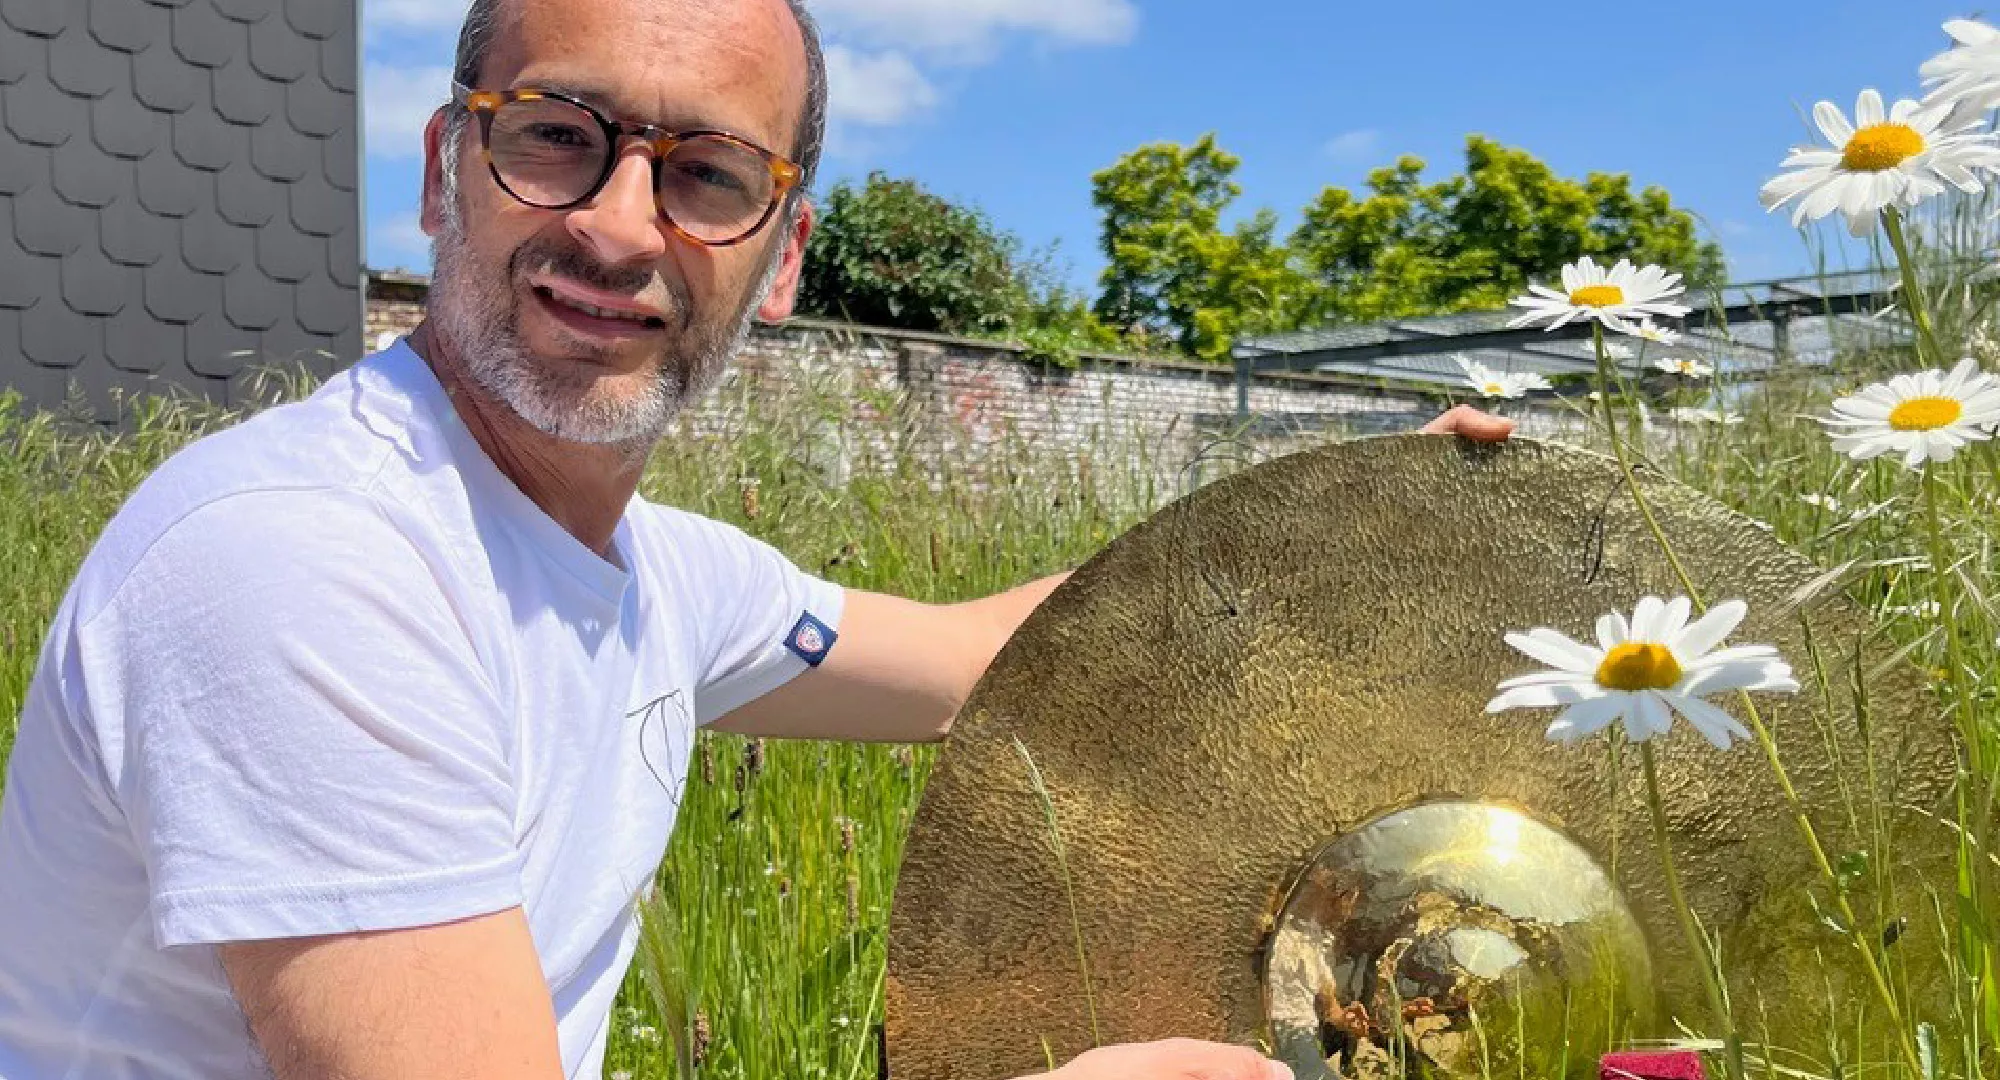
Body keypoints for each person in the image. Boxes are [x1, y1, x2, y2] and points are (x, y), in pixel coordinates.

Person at [0, 0, 1513, 1076]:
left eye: (710, 176)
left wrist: (1336, 508)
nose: (618, 224)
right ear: (438, 171)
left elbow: (997, 657)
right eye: (555, 136)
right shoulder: (308, 564)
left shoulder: (655, 574)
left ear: (781, 260)